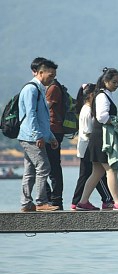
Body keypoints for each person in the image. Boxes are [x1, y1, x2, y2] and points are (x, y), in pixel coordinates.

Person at [76, 67, 118, 210]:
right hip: (102, 138)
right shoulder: (102, 95)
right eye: (114, 82)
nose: (116, 85)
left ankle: (83, 202)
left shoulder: (103, 94)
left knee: (97, 171)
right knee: (111, 169)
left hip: (97, 137)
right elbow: (102, 117)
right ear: (106, 81)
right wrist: (114, 121)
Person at [17, 57, 59, 212]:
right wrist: (38, 136)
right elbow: (31, 115)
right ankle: (41, 202)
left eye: (54, 75)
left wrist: (50, 137)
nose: (52, 78)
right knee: (43, 167)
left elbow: (43, 117)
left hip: (33, 136)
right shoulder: (31, 89)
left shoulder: (40, 89)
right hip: (30, 137)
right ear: (40, 73)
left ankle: (26, 203)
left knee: (30, 171)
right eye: (50, 75)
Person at [70, 83, 113, 211]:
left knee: (87, 175)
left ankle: (77, 201)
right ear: (90, 95)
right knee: (97, 174)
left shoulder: (85, 109)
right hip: (89, 146)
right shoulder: (88, 111)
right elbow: (88, 132)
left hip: (85, 147)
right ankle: (107, 199)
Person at [41, 72, 70, 209]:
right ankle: (53, 198)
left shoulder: (52, 88)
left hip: (53, 130)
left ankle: (54, 198)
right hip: (54, 130)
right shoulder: (54, 86)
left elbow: (45, 108)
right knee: (52, 166)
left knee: (50, 167)